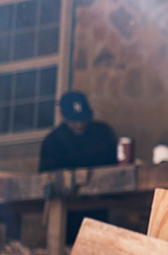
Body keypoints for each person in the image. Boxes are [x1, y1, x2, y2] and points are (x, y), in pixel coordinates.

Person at [39, 91, 119, 244]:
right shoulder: (52, 142)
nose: (79, 124)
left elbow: (113, 168)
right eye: (73, 120)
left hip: (99, 208)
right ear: (62, 114)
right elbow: (44, 179)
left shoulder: (103, 133)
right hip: (66, 212)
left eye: (83, 119)